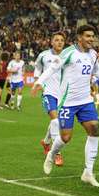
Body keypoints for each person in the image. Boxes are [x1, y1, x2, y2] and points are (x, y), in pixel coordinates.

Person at [31, 24, 99, 187]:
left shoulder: (93, 54)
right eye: (87, 36)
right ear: (79, 37)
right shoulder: (68, 53)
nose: (91, 39)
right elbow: (51, 69)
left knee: (95, 129)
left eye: (92, 36)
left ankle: (88, 171)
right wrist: (38, 82)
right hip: (68, 103)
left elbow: (97, 72)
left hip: (85, 101)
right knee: (65, 138)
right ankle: (51, 154)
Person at [34, 31, 66, 167]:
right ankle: (56, 154)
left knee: (57, 122)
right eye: (56, 40)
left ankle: (46, 141)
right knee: (55, 120)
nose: (59, 42)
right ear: (51, 42)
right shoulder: (43, 56)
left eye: (62, 40)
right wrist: (38, 82)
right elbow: (37, 69)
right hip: (49, 92)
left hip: (63, 94)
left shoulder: (67, 56)